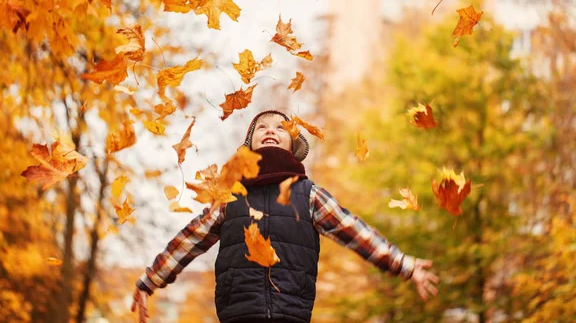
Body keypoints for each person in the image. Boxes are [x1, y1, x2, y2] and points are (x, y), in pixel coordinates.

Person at [131, 110, 439, 323]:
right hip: (238, 313)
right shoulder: (229, 197)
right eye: (262, 127)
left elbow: (355, 232)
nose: (270, 131)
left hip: (291, 312)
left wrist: (403, 264)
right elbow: (189, 240)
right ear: (249, 144)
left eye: (280, 128)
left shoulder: (309, 195)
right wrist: (149, 282)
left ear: (293, 144)